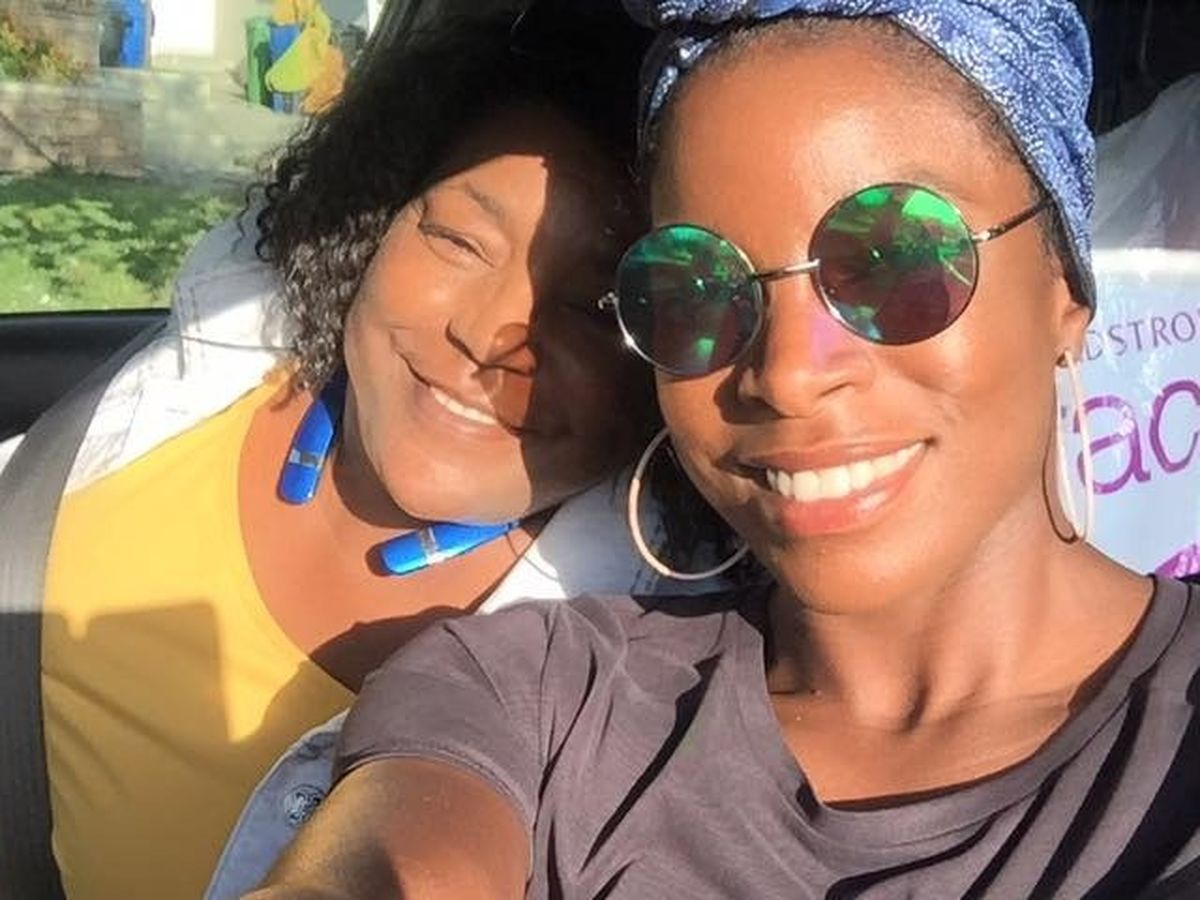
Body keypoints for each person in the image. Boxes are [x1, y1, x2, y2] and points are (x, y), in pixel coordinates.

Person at [250, 2, 1200, 898]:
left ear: (1064, 290)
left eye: (896, 262)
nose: (787, 373)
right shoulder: (532, 695)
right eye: (696, 288)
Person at [26, 8, 680, 898]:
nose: (491, 334)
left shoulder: (643, 691)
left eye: (597, 307)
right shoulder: (182, 394)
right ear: (375, 225)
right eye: (457, 240)